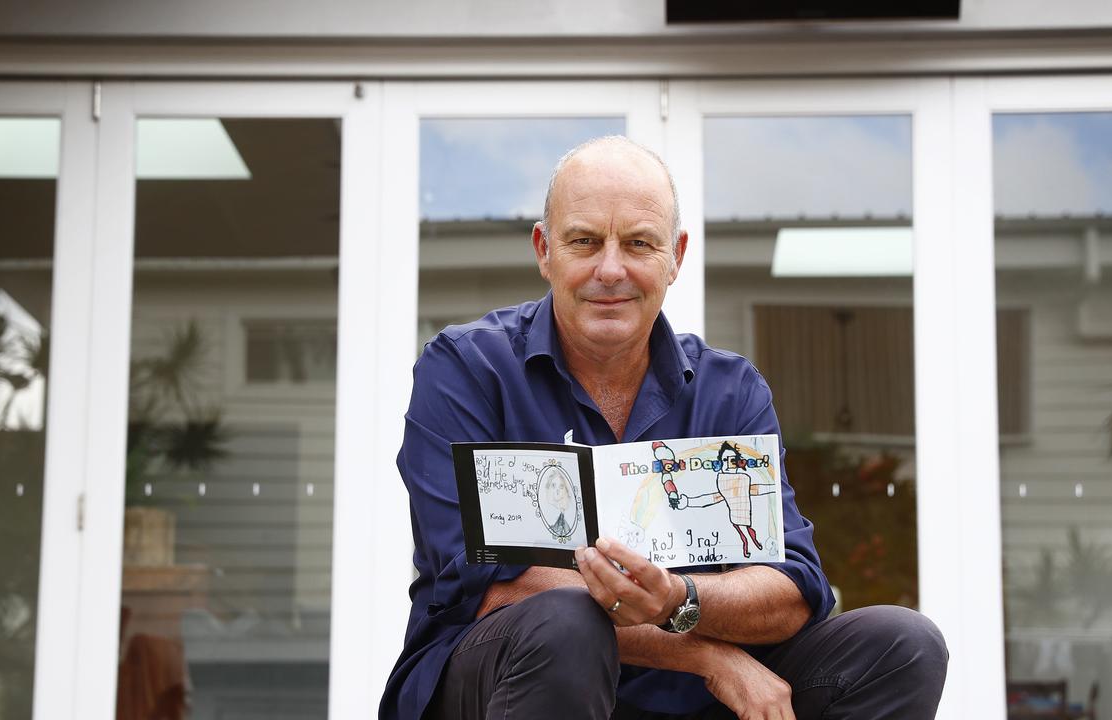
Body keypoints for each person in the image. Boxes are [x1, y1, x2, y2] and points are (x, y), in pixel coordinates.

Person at [381, 136, 948, 720]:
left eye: (638, 243)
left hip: (688, 706)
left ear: (675, 256)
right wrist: (706, 655)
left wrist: (682, 597)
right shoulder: (467, 371)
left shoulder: (730, 391)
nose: (610, 268)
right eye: (583, 241)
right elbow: (484, 590)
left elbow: (793, 590)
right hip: (505, 681)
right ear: (543, 249)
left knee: (903, 646)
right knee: (569, 624)